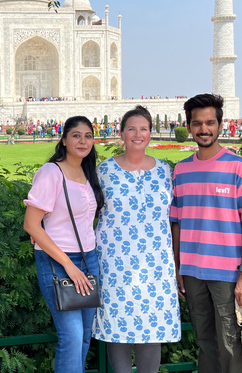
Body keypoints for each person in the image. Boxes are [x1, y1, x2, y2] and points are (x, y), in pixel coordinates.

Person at [170, 94, 242, 373]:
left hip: (227, 274)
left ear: (220, 124)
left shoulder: (240, 168)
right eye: (197, 123)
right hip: (191, 273)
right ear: (189, 126)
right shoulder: (181, 170)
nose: (204, 129)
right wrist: (179, 267)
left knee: (231, 345)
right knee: (205, 342)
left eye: (210, 122)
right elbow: (176, 223)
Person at [93, 105, 181, 373]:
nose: (137, 134)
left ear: (151, 134)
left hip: (156, 264)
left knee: (151, 329)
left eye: (143, 129)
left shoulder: (165, 171)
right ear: (121, 133)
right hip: (115, 263)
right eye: (131, 128)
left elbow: (177, 217)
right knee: (116, 326)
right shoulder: (103, 171)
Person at [23, 116, 105, 372]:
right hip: (59, 261)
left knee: (82, 338)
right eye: (76, 135)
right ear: (64, 139)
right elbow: (31, 224)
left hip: (88, 258)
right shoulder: (52, 172)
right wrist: (69, 265)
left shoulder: (86, 171)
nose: (83, 141)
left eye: (88, 136)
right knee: (70, 337)